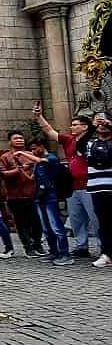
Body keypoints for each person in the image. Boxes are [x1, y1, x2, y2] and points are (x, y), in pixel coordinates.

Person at [34, 104, 98, 257]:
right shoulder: (69, 140)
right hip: (72, 186)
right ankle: (81, 247)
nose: (71, 127)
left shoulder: (93, 140)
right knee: (76, 219)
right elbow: (50, 131)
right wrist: (39, 116)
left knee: (95, 218)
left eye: (75, 124)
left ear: (85, 126)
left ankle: (105, 248)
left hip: (90, 184)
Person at [17, 139, 73, 265]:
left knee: (56, 226)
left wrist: (22, 153)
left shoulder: (51, 158)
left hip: (51, 196)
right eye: (31, 149)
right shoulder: (37, 163)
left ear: (42, 146)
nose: (33, 151)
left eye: (34, 148)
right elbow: (32, 178)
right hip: (40, 196)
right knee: (46, 228)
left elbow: (41, 161)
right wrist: (21, 169)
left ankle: (65, 254)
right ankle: (53, 252)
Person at [0, 131, 45, 257]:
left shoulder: (31, 154)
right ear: (10, 141)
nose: (19, 140)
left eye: (21, 138)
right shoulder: (5, 157)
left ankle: (37, 244)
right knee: (21, 223)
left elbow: (40, 167)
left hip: (32, 193)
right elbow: (3, 174)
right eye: (16, 138)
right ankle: (27, 247)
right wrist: (20, 169)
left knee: (37, 222)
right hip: (15, 195)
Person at [84, 112, 112, 267]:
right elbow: (79, 146)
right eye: (98, 121)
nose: (102, 124)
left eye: (105, 121)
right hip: (97, 188)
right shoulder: (90, 143)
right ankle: (107, 254)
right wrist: (91, 128)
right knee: (104, 223)